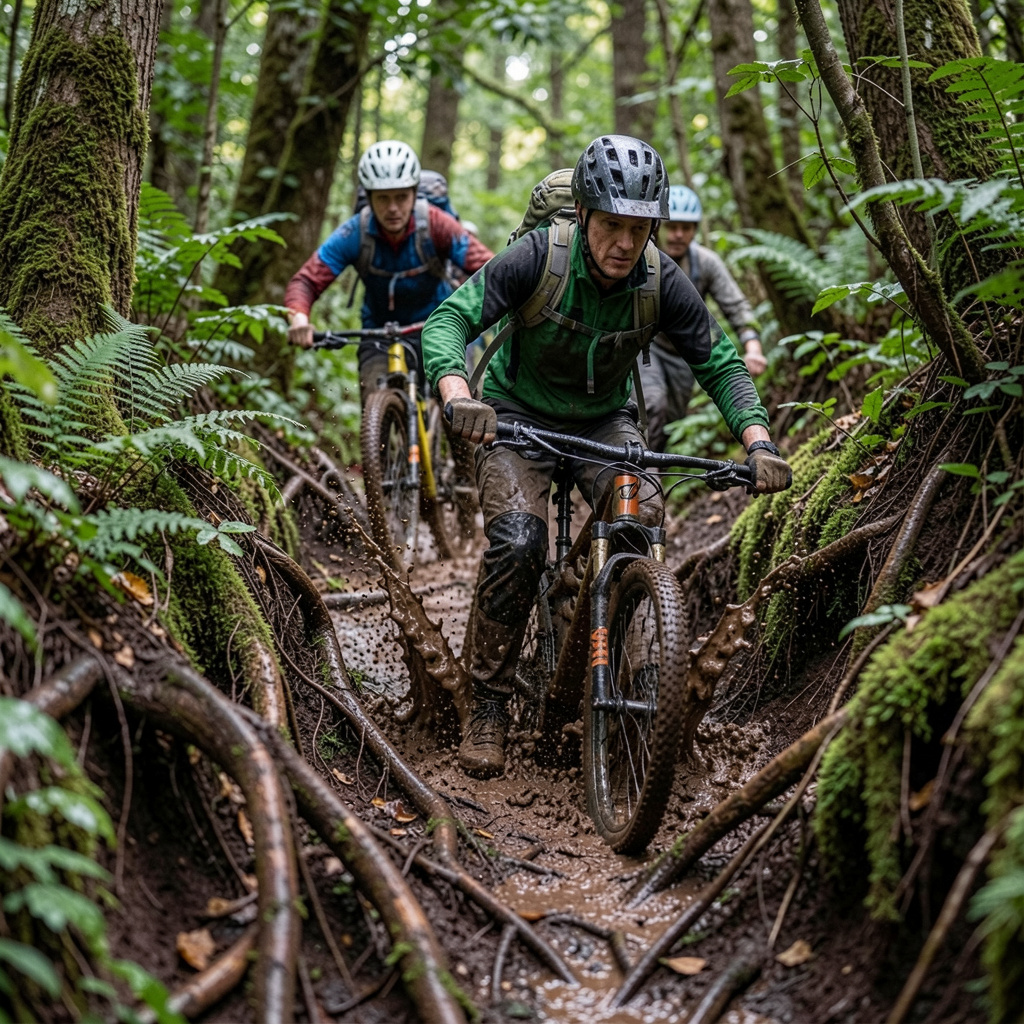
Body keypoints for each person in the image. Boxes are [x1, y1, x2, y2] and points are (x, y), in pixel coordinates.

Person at [421, 135, 792, 778]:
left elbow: (719, 360)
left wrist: (757, 437)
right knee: (516, 541)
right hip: (514, 416)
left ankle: (643, 675)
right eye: (613, 225)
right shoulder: (539, 256)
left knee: (640, 517)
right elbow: (448, 321)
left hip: (606, 423)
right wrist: (457, 391)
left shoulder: (659, 278)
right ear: (586, 216)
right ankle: (488, 704)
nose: (625, 243)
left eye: (640, 229)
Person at [285, 141, 492, 400]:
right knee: (374, 393)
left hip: (438, 325)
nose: (392, 208)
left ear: (414, 194)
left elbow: (490, 269)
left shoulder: (436, 223)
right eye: (383, 198)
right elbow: (307, 280)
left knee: (459, 413)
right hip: (378, 331)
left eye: (401, 197)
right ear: (369, 198)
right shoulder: (355, 232)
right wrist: (299, 319)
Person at [638, 184, 767, 451]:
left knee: (669, 423)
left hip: (683, 356)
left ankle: (653, 478)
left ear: (695, 230)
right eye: (673, 226)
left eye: (687, 228)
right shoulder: (639, 257)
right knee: (651, 404)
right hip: (645, 349)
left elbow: (736, 305)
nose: (678, 235)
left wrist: (753, 347)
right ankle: (636, 478)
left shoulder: (706, 263)